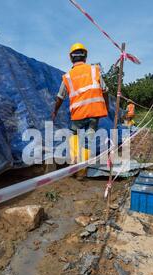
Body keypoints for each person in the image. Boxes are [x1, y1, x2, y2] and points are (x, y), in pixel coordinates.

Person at [52, 43, 109, 178]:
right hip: (94, 113)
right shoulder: (94, 70)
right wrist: (105, 106)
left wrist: (55, 111)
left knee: (74, 136)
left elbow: (60, 97)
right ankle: (81, 172)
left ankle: (73, 163)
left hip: (78, 114)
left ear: (71, 58)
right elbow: (105, 90)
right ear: (85, 56)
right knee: (88, 139)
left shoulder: (68, 76)